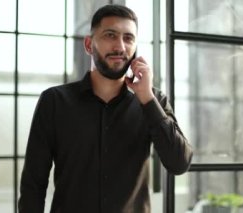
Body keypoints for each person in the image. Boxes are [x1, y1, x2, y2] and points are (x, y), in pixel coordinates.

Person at [18, 4, 193, 213]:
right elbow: (33, 185)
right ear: (89, 44)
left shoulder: (153, 100)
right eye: (110, 35)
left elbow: (179, 163)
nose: (120, 46)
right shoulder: (54, 101)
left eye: (128, 38)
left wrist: (147, 98)